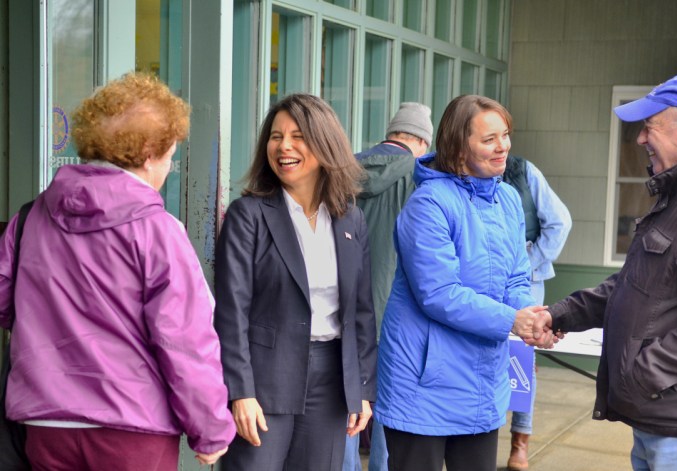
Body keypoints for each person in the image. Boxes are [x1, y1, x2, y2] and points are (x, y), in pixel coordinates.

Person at [0, 72, 235, 469]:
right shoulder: (159, 230)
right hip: (132, 427)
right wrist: (210, 428)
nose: (168, 169)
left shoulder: (29, 218)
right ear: (147, 153)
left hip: (45, 423)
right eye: (170, 157)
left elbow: (7, 304)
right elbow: (185, 340)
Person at [531, 73, 677, 471]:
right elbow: (638, 284)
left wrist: (639, 376)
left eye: (649, 128)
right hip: (669, 424)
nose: (640, 140)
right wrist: (559, 314)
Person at [374, 94, 555, 471]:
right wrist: (512, 321)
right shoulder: (429, 204)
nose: (503, 145)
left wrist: (534, 319)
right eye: (489, 139)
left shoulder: (506, 199)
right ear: (458, 147)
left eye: (505, 135)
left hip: (483, 382)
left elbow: (517, 276)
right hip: (423, 383)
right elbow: (439, 294)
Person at [214, 93, 378, 471]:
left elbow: (362, 313)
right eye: (275, 136)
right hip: (265, 378)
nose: (284, 146)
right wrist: (240, 392)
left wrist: (363, 390)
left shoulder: (350, 218)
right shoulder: (248, 215)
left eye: (298, 135)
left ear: (325, 143)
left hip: (332, 380)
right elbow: (230, 313)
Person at [343, 102, 434, 471]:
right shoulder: (421, 176)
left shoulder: (343, 168)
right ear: (422, 142)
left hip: (340, 309)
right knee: (390, 406)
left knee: (346, 404)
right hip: (397, 312)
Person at [502, 155, 572, 470]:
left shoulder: (524, 171)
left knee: (522, 359)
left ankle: (520, 443)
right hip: (479, 276)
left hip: (526, 280)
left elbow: (560, 221)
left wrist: (528, 267)